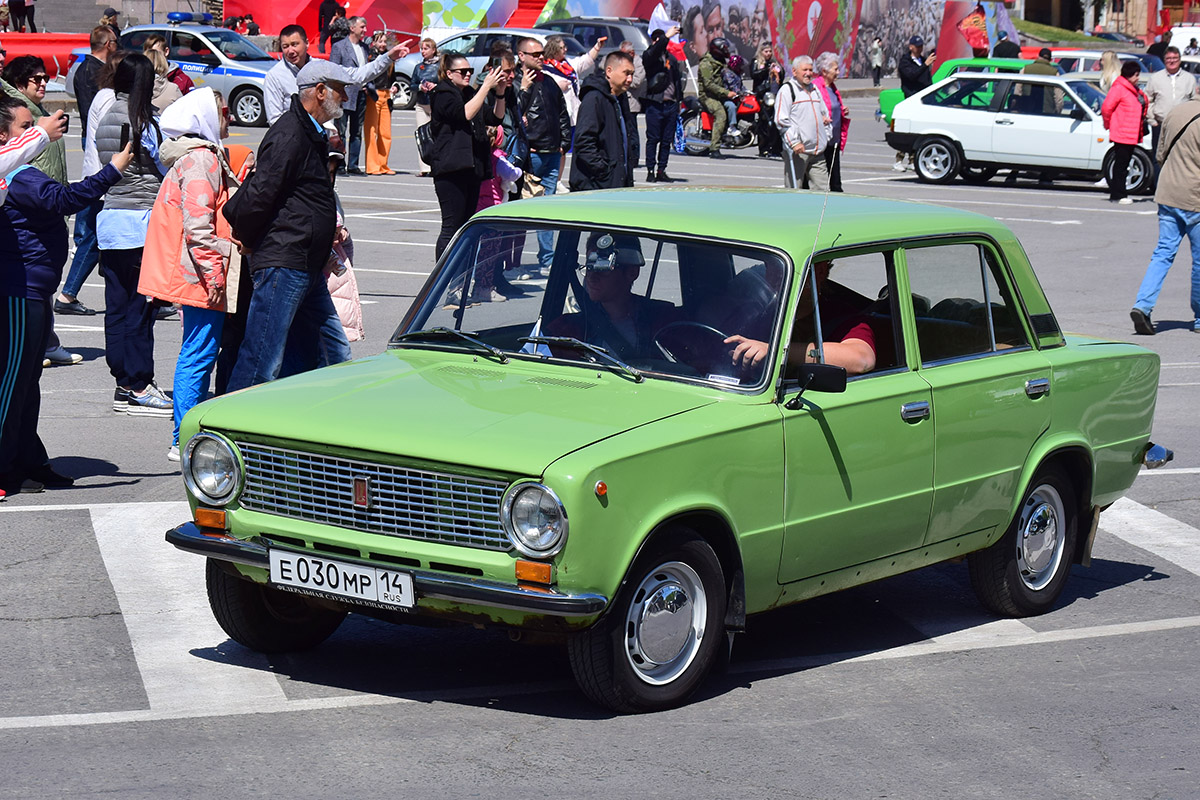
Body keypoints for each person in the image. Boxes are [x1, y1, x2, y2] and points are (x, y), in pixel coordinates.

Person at [0, 97, 130, 498]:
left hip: (35, 291)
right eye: (26, 126)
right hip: (18, 293)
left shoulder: (21, 171)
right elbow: (66, 200)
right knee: (12, 384)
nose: (38, 132)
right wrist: (112, 170)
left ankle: (28, 461)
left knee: (28, 382)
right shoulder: (16, 177)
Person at [222, 61, 357, 391]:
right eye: (339, 91)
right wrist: (248, 239)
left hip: (306, 262)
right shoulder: (290, 134)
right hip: (285, 262)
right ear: (320, 91)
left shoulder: (311, 132)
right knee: (262, 360)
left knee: (332, 354)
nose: (344, 98)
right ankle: (229, 428)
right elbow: (260, 194)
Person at [138, 88, 239, 461]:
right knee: (198, 355)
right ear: (206, 118)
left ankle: (184, 432)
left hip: (190, 273)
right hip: (199, 276)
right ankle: (182, 436)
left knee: (196, 352)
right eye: (221, 111)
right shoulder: (202, 162)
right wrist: (215, 277)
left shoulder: (188, 158)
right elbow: (199, 229)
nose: (227, 116)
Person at [95, 53, 172, 415]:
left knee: (116, 308)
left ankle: (122, 382)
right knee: (141, 309)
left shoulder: (105, 115)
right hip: (140, 222)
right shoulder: (143, 120)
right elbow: (163, 162)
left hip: (110, 221)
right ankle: (139, 384)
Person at [723, 260, 878, 376]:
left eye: (784, 269)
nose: (776, 277)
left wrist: (776, 352)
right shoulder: (758, 312)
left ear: (820, 271)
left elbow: (863, 360)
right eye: (771, 267)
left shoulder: (842, 316)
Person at [545, 232, 679, 361]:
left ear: (632, 272)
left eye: (603, 269)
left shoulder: (664, 323)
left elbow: (692, 369)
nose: (591, 277)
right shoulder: (566, 330)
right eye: (590, 267)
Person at [1129, 95, 1200, 335]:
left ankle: (1143, 304)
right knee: (1199, 261)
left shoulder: (1175, 112)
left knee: (1163, 253)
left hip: (1168, 192)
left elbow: (1160, 154)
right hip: (1195, 198)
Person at [428, 53, 507, 258]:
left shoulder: (470, 92)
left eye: (470, 71)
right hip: (450, 169)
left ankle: (459, 274)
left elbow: (495, 117)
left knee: (466, 224)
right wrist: (485, 87)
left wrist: (499, 93)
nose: (468, 74)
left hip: (471, 168)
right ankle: (442, 276)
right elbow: (464, 114)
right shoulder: (442, 93)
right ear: (449, 73)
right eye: (463, 71)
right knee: (451, 225)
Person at [264, 24, 410, 127]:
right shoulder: (275, 76)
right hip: (293, 142)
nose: (290, 50)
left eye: (295, 44)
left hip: (321, 142)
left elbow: (356, 75)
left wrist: (388, 58)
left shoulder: (321, 67)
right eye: (285, 46)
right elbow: (274, 119)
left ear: (307, 43)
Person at [514, 38, 570, 272]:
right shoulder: (516, 83)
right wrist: (524, 90)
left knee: (546, 210)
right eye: (534, 54)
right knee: (521, 210)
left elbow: (562, 113)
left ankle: (547, 259)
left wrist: (563, 143)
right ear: (521, 56)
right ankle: (512, 262)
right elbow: (514, 116)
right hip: (532, 156)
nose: (540, 57)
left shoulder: (548, 82)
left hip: (551, 154)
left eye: (541, 54)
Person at [569, 50, 636, 191]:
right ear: (609, 71)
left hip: (616, 185)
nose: (630, 79)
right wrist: (604, 171)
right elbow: (584, 142)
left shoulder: (620, 98)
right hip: (596, 185)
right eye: (626, 73)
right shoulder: (594, 98)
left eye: (632, 74)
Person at [774, 55, 830, 190]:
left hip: (818, 151)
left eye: (811, 70)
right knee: (794, 191)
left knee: (823, 192)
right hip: (799, 152)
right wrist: (794, 142)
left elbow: (824, 114)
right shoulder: (787, 90)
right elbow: (781, 121)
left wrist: (826, 134)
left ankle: (819, 212)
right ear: (794, 72)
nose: (808, 73)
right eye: (805, 70)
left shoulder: (815, 90)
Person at [331, 17, 375, 175]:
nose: (365, 30)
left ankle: (353, 165)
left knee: (356, 132)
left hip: (361, 94)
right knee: (341, 131)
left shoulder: (364, 47)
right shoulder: (339, 47)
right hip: (345, 94)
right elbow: (334, 70)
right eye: (362, 27)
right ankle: (340, 164)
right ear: (352, 28)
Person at [1101, 60, 1147, 204]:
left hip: (1131, 132)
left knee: (1124, 163)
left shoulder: (1133, 90)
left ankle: (1120, 192)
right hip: (1122, 131)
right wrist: (1109, 124)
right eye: (1136, 75)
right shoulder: (1119, 88)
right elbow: (1106, 108)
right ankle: (1118, 194)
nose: (1138, 78)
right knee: (1120, 165)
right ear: (1129, 75)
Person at [642, 27, 684, 181]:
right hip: (655, 103)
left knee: (666, 140)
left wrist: (679, 101)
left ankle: (661, 170)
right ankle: (650, 171)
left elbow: (677, 81)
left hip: (670, 104)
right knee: (653, 139)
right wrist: (665, 36)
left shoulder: (670, 59)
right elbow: (653, 52)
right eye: (657, 40)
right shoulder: (649, 57)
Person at [1146, 47, 1196, 160]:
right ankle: (1159, 178)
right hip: (1160, 125)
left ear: (1179, 59)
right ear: (1164, 60)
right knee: (1159, 159)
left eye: (1175, 58)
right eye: (1168, 58)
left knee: (1181, 159)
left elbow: (1194, 102)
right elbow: (1147, 101)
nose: (1172, 61)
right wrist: (1152, 121)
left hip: (1183, 127)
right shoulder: (1155, 79)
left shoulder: (1189, 79)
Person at [542, 34, 603, 126]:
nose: (565, 50)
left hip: (575, 113)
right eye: (561, 48)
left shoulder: (568, 63)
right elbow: (543, 90)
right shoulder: (545, 69)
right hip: (559, 116)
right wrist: (557, 87)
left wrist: (597, 47)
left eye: (565, 47)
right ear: (554, 50)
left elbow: (585, 61)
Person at [895, 35, 933, 171]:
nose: (919, 49)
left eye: (921, 46)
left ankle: (913, 159)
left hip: (922, 99)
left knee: (918, 131)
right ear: (911, 47)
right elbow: (911, 75)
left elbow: (927, 79)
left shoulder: (922, 60)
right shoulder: (905, 61)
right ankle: (899, 160)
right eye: (917, 46)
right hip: (911, 98)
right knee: (907, 130)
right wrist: (925, 65)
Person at [813, 51, 848, 192]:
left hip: (834, 139)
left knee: (835, 178)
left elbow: (832, 107)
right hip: (822, 139)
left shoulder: (832, 87)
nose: (838, 72)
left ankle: (837, 201)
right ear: (824, 71)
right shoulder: (816, 87)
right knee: (820, 178)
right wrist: (820, 117)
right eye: (835, 69)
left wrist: (842, 110)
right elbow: (812, 109)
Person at [362, 32, 396, 175]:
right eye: (379, 41)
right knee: (371, 131)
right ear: (374, 43)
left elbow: (393, 77)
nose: (382, 44)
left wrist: (395, 86)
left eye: (384, 42)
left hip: (386, 94)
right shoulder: (371, 57)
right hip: (374, 95)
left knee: (385, 132)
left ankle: (383, 164)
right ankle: (372, 165)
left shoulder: (389, 58)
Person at [698, 37, 737, 157]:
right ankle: (714, 148)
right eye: (723, 48)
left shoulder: (720, 61)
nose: (726, 50)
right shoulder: (706, 64)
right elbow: (708, 84)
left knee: (732, 106)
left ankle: (731, 130)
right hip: (707, 96)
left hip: (718, 94)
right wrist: (726, 93)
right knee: (720, 114)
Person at [411, 38, 439, 176]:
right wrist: (420, 87)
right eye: (421, 48)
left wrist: (435, 87)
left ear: (433, 50)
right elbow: (412, 85)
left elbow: (445, 82)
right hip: (422, 104)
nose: (423, 51)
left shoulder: (440, 66)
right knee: (422, 135)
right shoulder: (418, 67)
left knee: (437, 135)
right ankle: (424, 168)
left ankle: (436, 166)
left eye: (426, 48)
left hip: (436, 104)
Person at [751, 40, 781, 157]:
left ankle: (775, 148)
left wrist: (776, 70)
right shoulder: (756, 61)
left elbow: (781, 75)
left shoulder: (774, 62)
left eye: (769, 51)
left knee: (775, 122)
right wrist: (766, 69)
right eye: (765, 51)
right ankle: (763, 148)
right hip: (761, 94)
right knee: (764, 122)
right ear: (761, 52)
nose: (768, 54)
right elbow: (754, 74)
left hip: (773, 95)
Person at [621, 41, 645, 170]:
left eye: (624, 54)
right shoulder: (621, 61)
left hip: (632, 103)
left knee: (632, 132)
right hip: (620, 100)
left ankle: (634, 158)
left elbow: (637, 82)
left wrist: (622, 80)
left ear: (632, 52)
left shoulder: (638, 63)